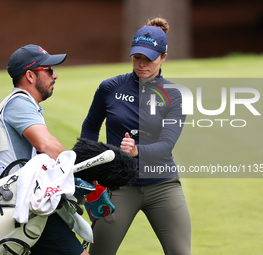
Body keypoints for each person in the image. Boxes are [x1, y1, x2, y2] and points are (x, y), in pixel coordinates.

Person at [80, 18, 191, 254]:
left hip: (163, 186)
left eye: (149, 59)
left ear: (163, 57)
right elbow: (90, 127)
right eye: (137, 57)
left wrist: (136, 150)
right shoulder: (110, 88)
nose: (141, 64)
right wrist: (90, 171)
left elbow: (167, 144)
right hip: (119, 187)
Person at [0, 44, 89, 255]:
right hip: (23, 206)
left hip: (17, 202)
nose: (55, 75)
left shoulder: (17, 104)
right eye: (49, 70)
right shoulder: (20, 103)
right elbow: (47, 145)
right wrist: (80, 174)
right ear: (30, 76)